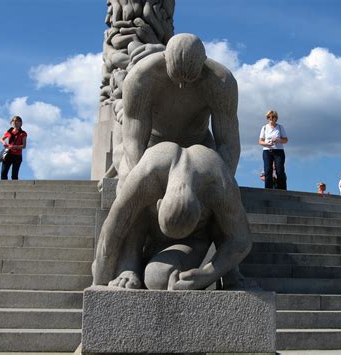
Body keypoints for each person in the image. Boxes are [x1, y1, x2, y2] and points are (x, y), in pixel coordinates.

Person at [92, 142, 252, 291]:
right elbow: (114, 225)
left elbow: (241, 239)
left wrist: (208, 274)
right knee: (135, 210)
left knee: (157, 278)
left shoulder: (218, 181)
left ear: (201, 209)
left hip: (192, 240)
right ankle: (130, 263)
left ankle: (230, 274)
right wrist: (101, 278)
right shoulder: (148, 172)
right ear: (159, 203)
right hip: (148, 230)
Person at [119, 33, 240, 193]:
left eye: (192, 79)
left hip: (200, 144)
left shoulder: (221, 81)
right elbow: (133, 140)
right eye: (175, 78)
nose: (182, 86)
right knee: (127, 186)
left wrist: (224, 181)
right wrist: (142, 178)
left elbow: (228, 142)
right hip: (152, 144)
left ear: (203, 61)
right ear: (165, 57)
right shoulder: (140, 78)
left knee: (219, 193)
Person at [258, 110, 288, 190]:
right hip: (267, 151)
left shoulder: (280, 127)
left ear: (276, 118)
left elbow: (286, 140)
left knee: (280, 170)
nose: (270, 118)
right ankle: (268, 189)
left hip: (278, 151)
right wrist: (267, 144)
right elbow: (260, 141)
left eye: (272, 117)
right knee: (267, 170)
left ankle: (282, 189)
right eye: (268, 117)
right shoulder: (264, 128)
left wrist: (278, 140)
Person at [0, 116, 27, 180]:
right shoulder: (9, 131)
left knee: (14, 175)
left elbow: (24, 146)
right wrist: (4, 143)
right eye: (13, 121)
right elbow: (1, 139)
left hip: (17, 156)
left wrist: (13, 146)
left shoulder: (23, 133)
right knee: (3, 173)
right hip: (8, 154)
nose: (14, 122)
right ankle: (4, 189)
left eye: (16, 121)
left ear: (20, 123)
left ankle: (14, 190)